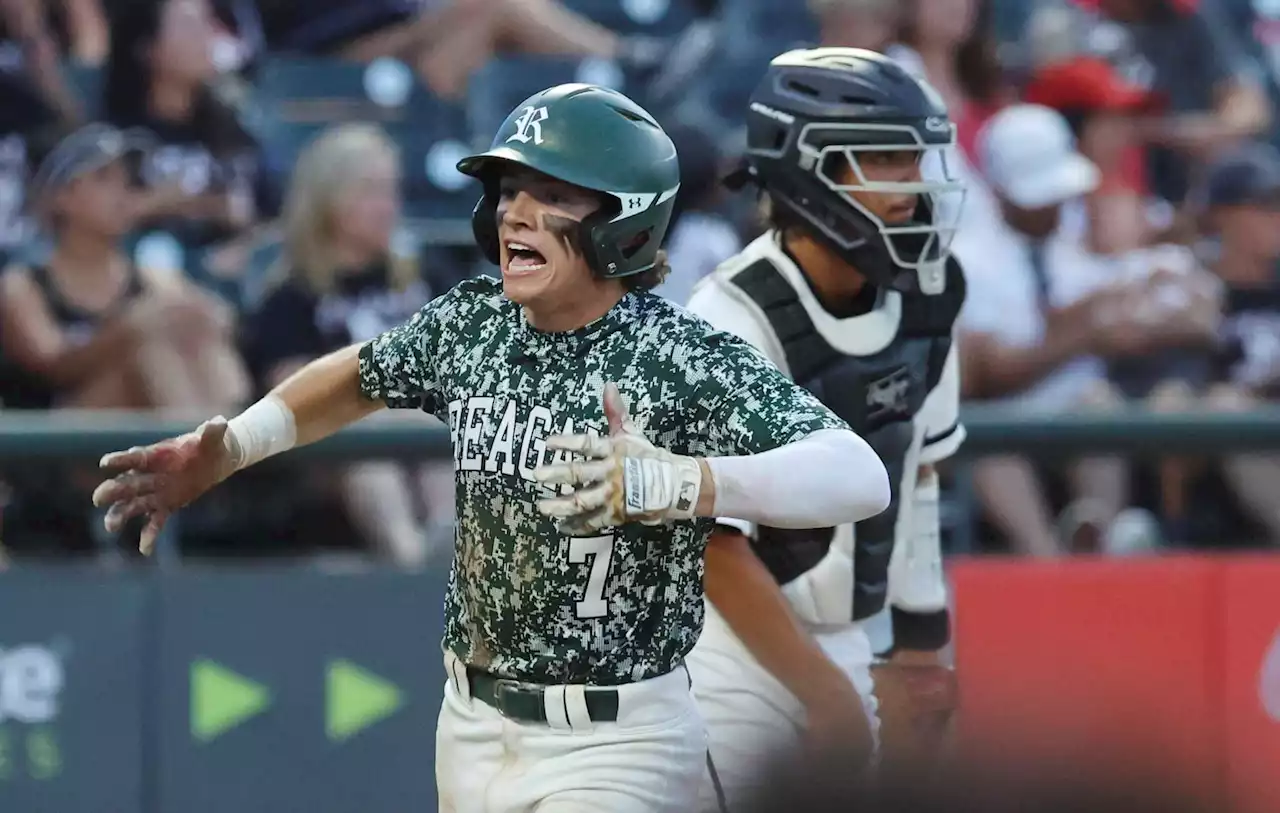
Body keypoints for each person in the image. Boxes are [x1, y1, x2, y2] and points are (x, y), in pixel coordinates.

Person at [90, 83, 892, 813]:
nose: (515, 213)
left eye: (551, 194)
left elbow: (858, 475)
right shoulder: (475, 322)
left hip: (618, 741)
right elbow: (361, 375)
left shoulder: (674, 353)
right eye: (509, 191)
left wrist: (685, 480)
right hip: (471, 726)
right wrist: (235, 446)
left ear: (624, 218)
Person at [683, 48, 968, 811]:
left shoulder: (927, 293)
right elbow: (712, 541)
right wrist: (827, 698)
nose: (908, 185)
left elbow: (921, 473)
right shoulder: (728, 317)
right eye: (879, 158)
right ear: (807, 171)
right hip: (729, 650)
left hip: (853, 639)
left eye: (913, 159)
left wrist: (919, 653)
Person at [0, 122, 248, 555]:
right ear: (62, 198)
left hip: (150, 442)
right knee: (150, 347)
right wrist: (133, 329)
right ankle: (209, 488)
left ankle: (229, 477)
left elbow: (224, 324)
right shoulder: (25, 283)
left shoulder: (152, 278)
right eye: (102, 179)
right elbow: (51, 364)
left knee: (191, 329)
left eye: (125, 179)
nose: (123, 192)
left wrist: (197, 316)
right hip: (61, 454)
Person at [241, 123, 450, 568]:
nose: (388, 207)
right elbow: (298, 394)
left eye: (392, 190)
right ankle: (411, 565)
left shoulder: (425, 278)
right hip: (336, 453)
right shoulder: (291, 297)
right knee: (371, 459)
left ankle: (451, 562)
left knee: (440, 455)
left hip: (428, 436)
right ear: (328, 201)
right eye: (371, 191)